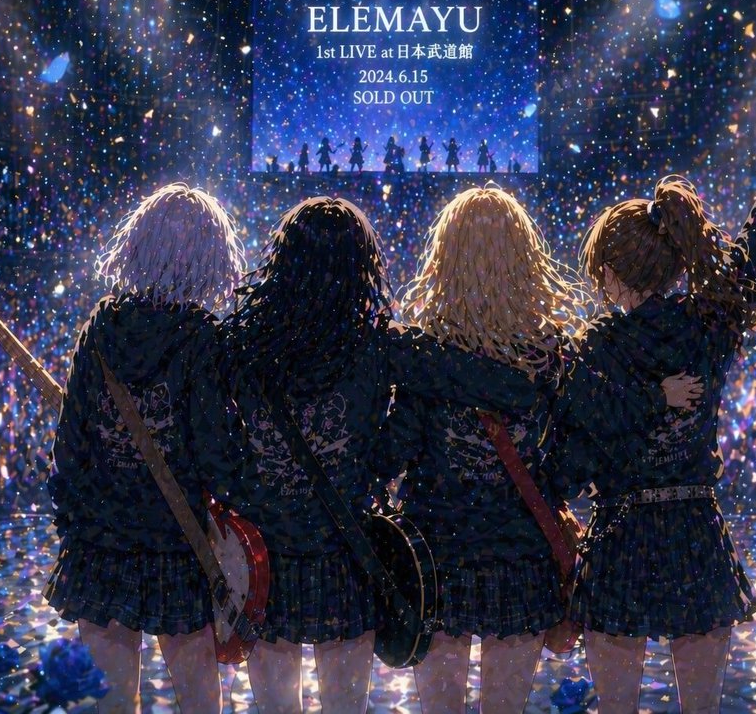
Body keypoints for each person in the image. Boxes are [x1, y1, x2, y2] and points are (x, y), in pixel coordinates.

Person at [565, 87, 756, 713]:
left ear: (612, 274)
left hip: (621, 537)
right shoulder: (707, 325)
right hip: (694, 533)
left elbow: (583, 440)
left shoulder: (596, 347)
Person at [216, 197, 539, 714]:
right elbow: (503, 388)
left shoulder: (239, 344)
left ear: (284, 260)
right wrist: (371, 469)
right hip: (346, 550)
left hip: (264, 559)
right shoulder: (378, 345)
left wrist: (250, 492)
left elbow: (216, 450)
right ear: (361, 267)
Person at [390, 187, 699, 713]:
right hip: (521, 556)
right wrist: (547, 486)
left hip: (437, 556)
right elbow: (587, 439)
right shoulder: (550, 353)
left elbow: (397, 448)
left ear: (447, 257)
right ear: (523, 257)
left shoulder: (425, 353)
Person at [44, 183, 245, 714]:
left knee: (112, 702)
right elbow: (216, 458)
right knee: (200, 702)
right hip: (176, 545)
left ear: (139, 245)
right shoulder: (202, 339)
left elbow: (69, 447)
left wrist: (81, 520)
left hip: (102, 544)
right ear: (208, 256)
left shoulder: (101, 327)